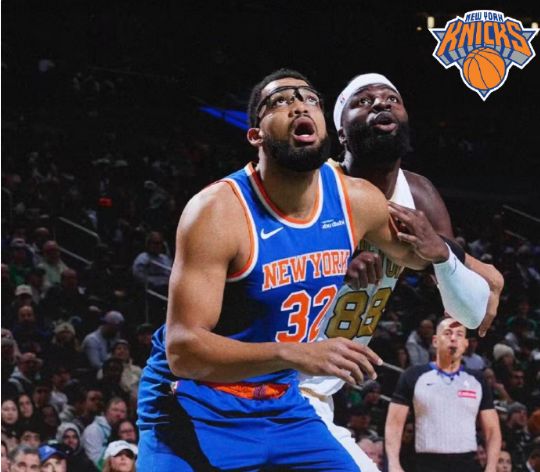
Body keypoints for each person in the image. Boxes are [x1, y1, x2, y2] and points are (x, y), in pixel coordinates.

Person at [137, 69, 490, 471]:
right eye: (280, 101)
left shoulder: (358, 201)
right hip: (193, 404)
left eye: (308, 99)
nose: (298, 105)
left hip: (280, 403)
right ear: (255, 136)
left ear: (324, 127)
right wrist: (295, 353)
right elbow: (182, 350)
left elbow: (429, 259)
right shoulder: (217, 211)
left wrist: (465, 264)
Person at [298, 72, 503, 470]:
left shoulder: (419, 194)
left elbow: (470, 313)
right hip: (279, 371)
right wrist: (331, 264)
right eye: (363, 101)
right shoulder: (315, 183)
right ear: (341, 133)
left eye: (392, 98)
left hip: (319, 392)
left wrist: (442, 255)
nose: (381, 103)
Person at [385, 317, 501, 472]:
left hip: (467, 464)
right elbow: (394, 424)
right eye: (447, 333)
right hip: (424, 464)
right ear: (435, 341)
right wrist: (393, 463)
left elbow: (492, 429)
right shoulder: (413, 375)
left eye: (459, 334)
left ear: (465, 343)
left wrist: (491, 466)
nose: (453, 338)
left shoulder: (477, 380)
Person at [82, 397, 127, 466]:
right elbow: (95, 461)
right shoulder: (93, 430)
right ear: (106, 411)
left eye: (122, 411)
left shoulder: (124, 431)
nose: (118, 414)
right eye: (115, 410)